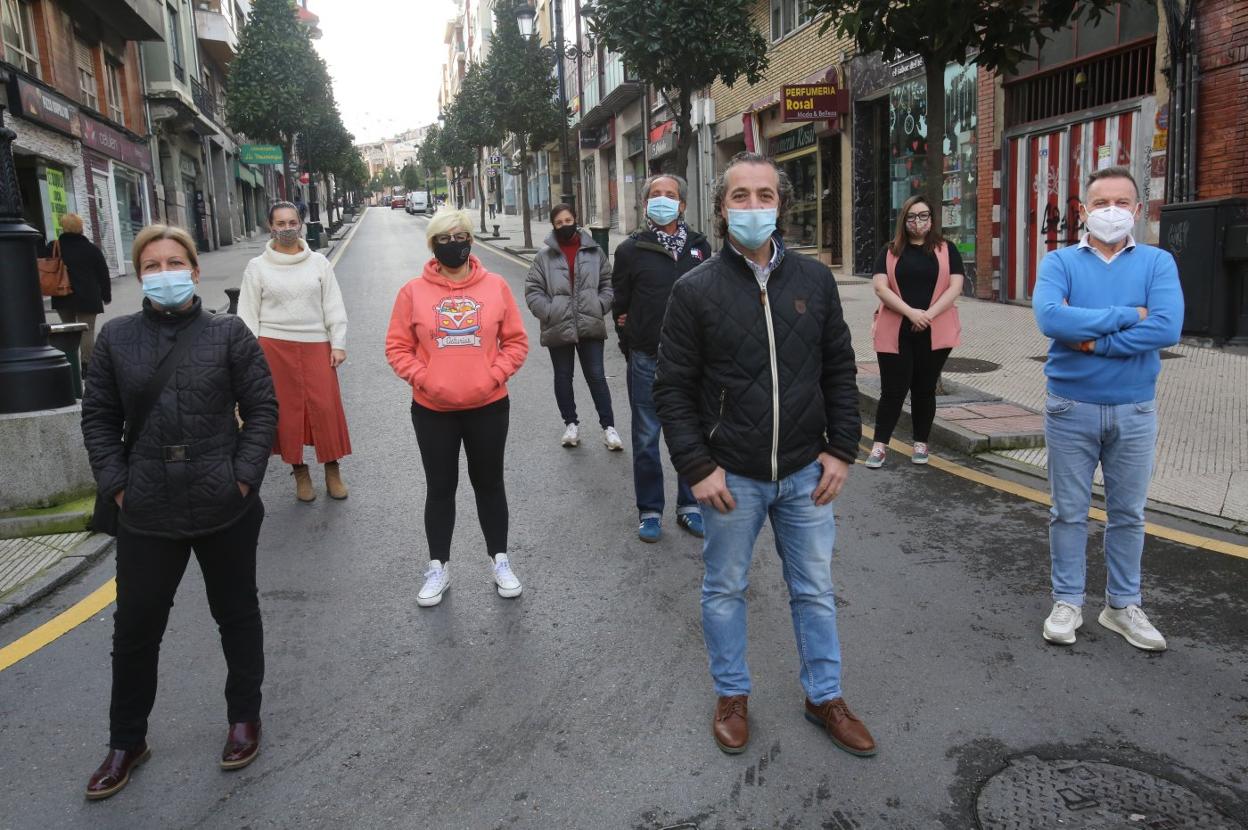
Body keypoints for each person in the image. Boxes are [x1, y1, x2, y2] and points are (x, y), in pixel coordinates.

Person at [654, 152, 873, 758]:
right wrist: (697, 467)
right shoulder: (695, 290)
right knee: (724, 588)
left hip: (806, 473)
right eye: (741, 197)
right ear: (721, 209)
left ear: (782, 203)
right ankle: (731, 693)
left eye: (766, 196)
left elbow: (838, 371)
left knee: (815, 589)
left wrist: (841, 450)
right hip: (732, 478)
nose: (754, 207)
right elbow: (671, 389)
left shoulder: (815, 281)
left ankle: (824, 695)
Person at [80, 225, 278, 800]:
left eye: (174, 262)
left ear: (194, 271)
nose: (163, 272)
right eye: (151, 265)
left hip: (224, 504)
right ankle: (126, 742)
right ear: (140, 276)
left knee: (236, 615)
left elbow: (261, 409)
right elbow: (97, 420)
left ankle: (244, 718)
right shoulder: (116, 339)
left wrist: (242, 479)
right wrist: (118, 486)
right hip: (146, 508)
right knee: (135, 630)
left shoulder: (230, 334)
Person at [1032, 166, 1183, 652]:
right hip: (1069, 408)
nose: (1111, 211)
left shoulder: (1158, 263)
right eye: (1100, 203)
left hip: (1135, 409)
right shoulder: (1059, 262)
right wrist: (1125, 317)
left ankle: (1122, 605)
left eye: (1121, 202)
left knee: (1128, 514)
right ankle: (1068, 601)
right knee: (1069, 512)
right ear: (1084, 211)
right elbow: (1051, 318)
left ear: (1138, 211)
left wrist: (1094, 343)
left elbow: (1165, 329)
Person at [385, 209, 529, 608]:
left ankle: (500, 560)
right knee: (440, 488)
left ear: (471, 241)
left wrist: (492, 376)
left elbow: (515, 342)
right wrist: (426, 379)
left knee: (490, 484)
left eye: (461, 236)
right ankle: (438, 567)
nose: (455, 244)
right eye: (445, 238)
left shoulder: (496, 286)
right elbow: (397, 348)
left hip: (489, 406)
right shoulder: (412, 292)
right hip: (433, 410)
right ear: (433, 245)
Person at [612, 174, 710, 543]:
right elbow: (620, 307)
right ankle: (650, 511)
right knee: (647, 437)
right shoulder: (630, 250)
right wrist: (633, 341)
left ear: (682, 204)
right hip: (646, 358)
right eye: (656, 195)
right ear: (646, 204)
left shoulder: (701, 248)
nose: (663, 200)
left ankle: (690, 506)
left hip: (693, 360)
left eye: (670, 195)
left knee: (692, 435)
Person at [238, 200, 352, 502]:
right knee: (287, 414)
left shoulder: (318, 263)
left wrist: (337, 342)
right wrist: (251, 356)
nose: (286, 228)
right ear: (270, 227)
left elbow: (333, 303)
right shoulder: (257, 267)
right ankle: (300, 473)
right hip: (273, 346)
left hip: (316, 342)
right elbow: (248, 313)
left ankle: (332, 469)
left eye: (291, 222)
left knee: (326, 408)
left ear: (299, 224)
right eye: (280, 224)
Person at [865, 195, 963, 468]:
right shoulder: (889, 250)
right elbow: (880, 288)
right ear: (903, 220)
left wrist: (927, 316)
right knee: (892, 391)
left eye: (923, 216)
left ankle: (921, 442)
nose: (917, 222)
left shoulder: (947, 249)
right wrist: (912, 313)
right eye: (911, 217)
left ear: (931, 220)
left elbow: (955, 288)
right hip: (896, 329)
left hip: (935, 330)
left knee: (924, 389)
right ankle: (879, 446)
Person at [524, 203, 622, 451]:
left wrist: (600, 305)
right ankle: (571, 425)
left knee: (597, 377)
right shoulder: (543, 257)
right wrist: (548, 312)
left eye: (568, 220)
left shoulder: (594, 251)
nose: (564, 226)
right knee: (563, 377)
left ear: (576, 220)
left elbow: (608, 283)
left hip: (589, 321)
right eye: (559, 223)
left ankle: (609, 428)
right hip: (558, 324)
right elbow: (533, 290)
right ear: (553, 226)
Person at [46, 213, 111, 372]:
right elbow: (103, 273)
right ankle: (86, 367)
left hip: (62, 295)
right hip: (88, 297)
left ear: (63, 227)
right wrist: (106, 295)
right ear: (81, 228)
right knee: (86, 332)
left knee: (68, 331)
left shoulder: (54, 247)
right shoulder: (91, 249)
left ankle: (69, 365)